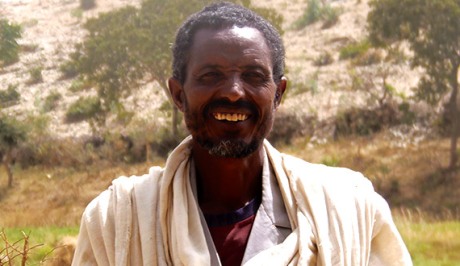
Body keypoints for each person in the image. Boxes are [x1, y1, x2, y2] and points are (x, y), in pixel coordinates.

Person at [72, 2, 412, 265]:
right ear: (178, 94)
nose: (234, 92)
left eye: (253, 75)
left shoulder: (348, 207)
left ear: (278, 94)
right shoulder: (117, 220)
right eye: (210, 75)